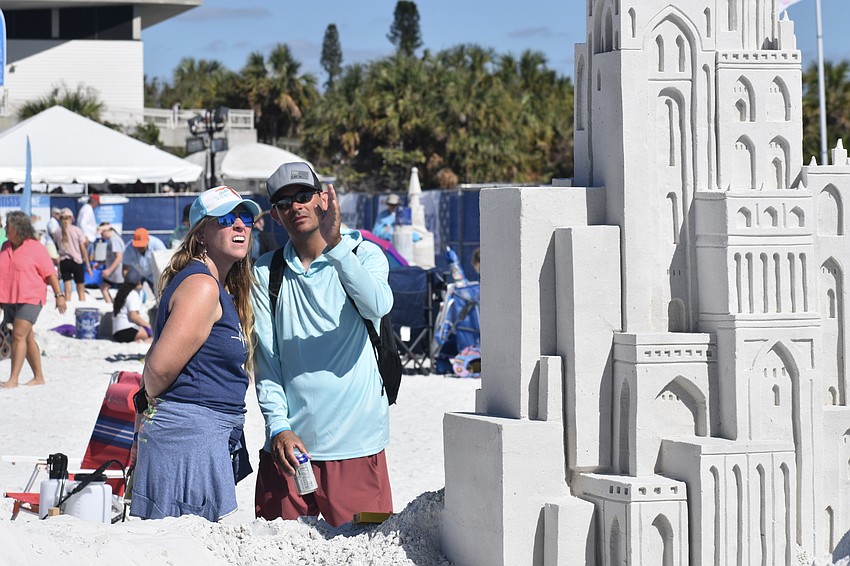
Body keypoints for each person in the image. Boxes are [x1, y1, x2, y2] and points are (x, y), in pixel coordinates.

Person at [252, 161, 394, 527]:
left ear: (322, 199)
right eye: (284, 203)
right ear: (275, 215)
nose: (295, 206)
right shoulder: (266, 272)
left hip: (357, 447)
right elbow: (267, 363)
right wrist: (277, 427)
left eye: (303, 196)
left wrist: (337, 246)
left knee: (364, 554)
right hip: (288, 450)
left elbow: (378, 305)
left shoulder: (363, 253)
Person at [130, 185, 261, 521]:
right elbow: (157, 371)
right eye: (227, 218)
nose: (239, 225)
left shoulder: (217, 286)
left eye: (245, 216)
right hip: (187, 439)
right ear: (201, 232)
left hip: (199, 436)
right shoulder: (202, 286)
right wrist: (146, 416)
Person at [0, 211, 67, 387]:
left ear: (19, 228)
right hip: (9, 299)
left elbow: (50, 273)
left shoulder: (36, 247)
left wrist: (59, 295)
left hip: (31, 297)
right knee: (27, 337)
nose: (5, 228)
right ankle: (39, 377)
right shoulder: (5, 246)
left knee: (18, 334)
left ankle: (13, 379)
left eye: (8, 225)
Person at [52, 208, 92, 302]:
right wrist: (88, 265)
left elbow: (57, 247)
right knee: (81, 290)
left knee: (67, 290)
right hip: (76, 260)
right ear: (71, 218)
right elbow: (83, 249)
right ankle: (81, 306)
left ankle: (67, 309)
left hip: (64, 261)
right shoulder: (76, 230)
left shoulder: (57, 232)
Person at [111, 268, 151, 343]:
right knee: (151, 333)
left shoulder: (122, 293)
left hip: (116, 332)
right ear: (138, 282)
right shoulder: (133, 294)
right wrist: (148, 326)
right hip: (126, 330)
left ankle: (138, 340)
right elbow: (133, 315)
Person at [96, 223, 125, 303]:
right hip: (116, 273)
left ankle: (112, 306)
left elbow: (119, 257)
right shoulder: (114, 239)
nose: (102, 237)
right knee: (104, 288)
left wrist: (109, 270)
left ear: (107, 231)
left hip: (118, 273)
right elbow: (112, 257)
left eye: (102, 234)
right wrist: (101, 263)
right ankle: (111, 305)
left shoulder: (114, 240)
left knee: (105, 288)